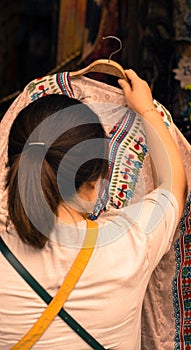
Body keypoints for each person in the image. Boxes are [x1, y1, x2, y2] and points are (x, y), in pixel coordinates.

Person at [0, 69, 187, 349]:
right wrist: (147, 110)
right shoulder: (130, 246)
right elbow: (175, 186)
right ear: (95, 181)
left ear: (11, 164)